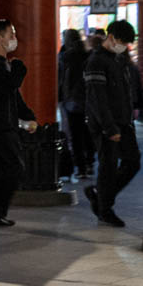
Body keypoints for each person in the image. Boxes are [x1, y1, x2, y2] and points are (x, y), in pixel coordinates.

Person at [0, 19, 38, 227]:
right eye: (11, 34)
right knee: (14, 167)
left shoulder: (3, 63)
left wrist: (28, 116)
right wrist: (19, 68)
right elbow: (12, 83)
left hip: (5, 123)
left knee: (2, 169)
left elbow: (13, 94)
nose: (14, 38)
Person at [83, 19, 141, 228]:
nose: (124, 46)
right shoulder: (96, 61)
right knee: (108, 166)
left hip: (124, 122)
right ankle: (105, 210)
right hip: (105, 125)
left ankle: (100, 197)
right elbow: (97, 99)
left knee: (133, 162)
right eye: (122, 42)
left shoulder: (119, 60)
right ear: (111, 37)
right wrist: (109, 127)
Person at [58, 28, 94, 181]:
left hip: (72, 100)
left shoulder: (65, 57)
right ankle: (90, 162)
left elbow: (62, 79)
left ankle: (81, 167)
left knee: (75, 134)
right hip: (89, 99)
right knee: (88, 132)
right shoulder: (88, 55)